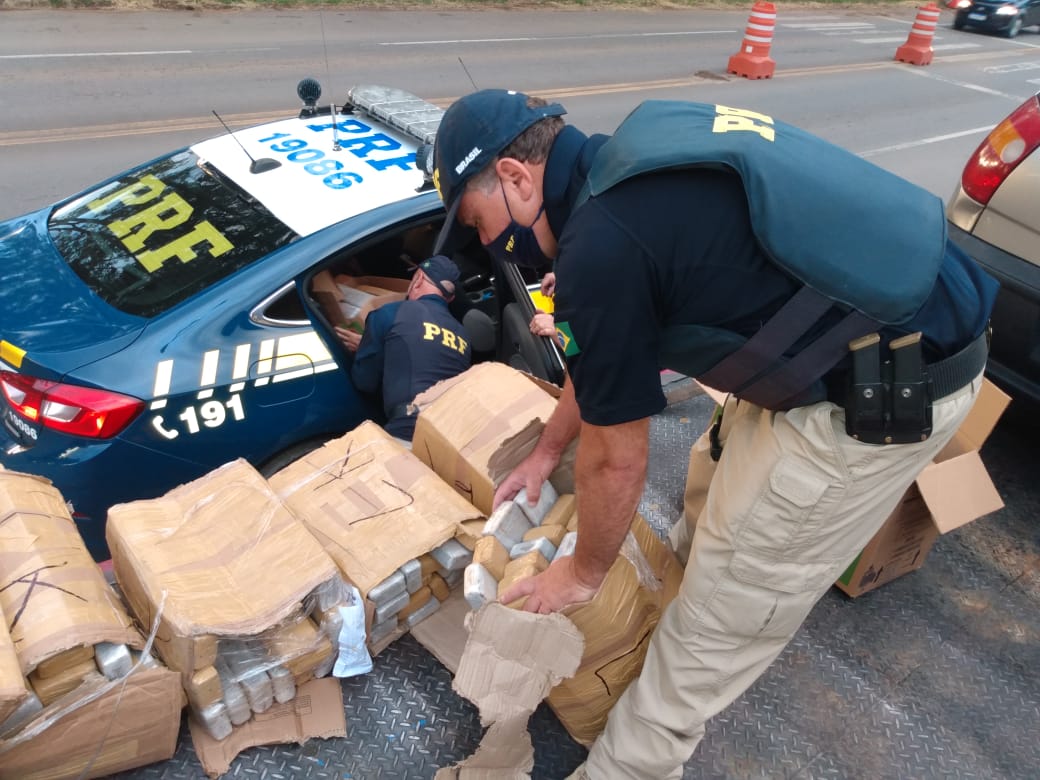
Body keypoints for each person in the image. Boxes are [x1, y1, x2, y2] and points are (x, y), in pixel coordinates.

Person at [431, 89, 997, 779]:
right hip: (841, 343)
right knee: (709, 488)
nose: (489, 246)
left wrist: (581, 577)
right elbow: (605, 352)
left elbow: (615, 462)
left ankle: (631, 764)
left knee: (720, 618)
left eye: (479, 224)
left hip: (890, 381)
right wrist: (548, 448)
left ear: (517, 179)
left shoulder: (605, 243)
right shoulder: (626, 163)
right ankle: (654, 628)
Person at [336, 255, 472, 442]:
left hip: (408, 431)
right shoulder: (462, 334)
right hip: (451, 436)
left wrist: (365, 348)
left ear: (418, 281)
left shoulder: (391, 312)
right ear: (450, 297)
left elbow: (365, 382)